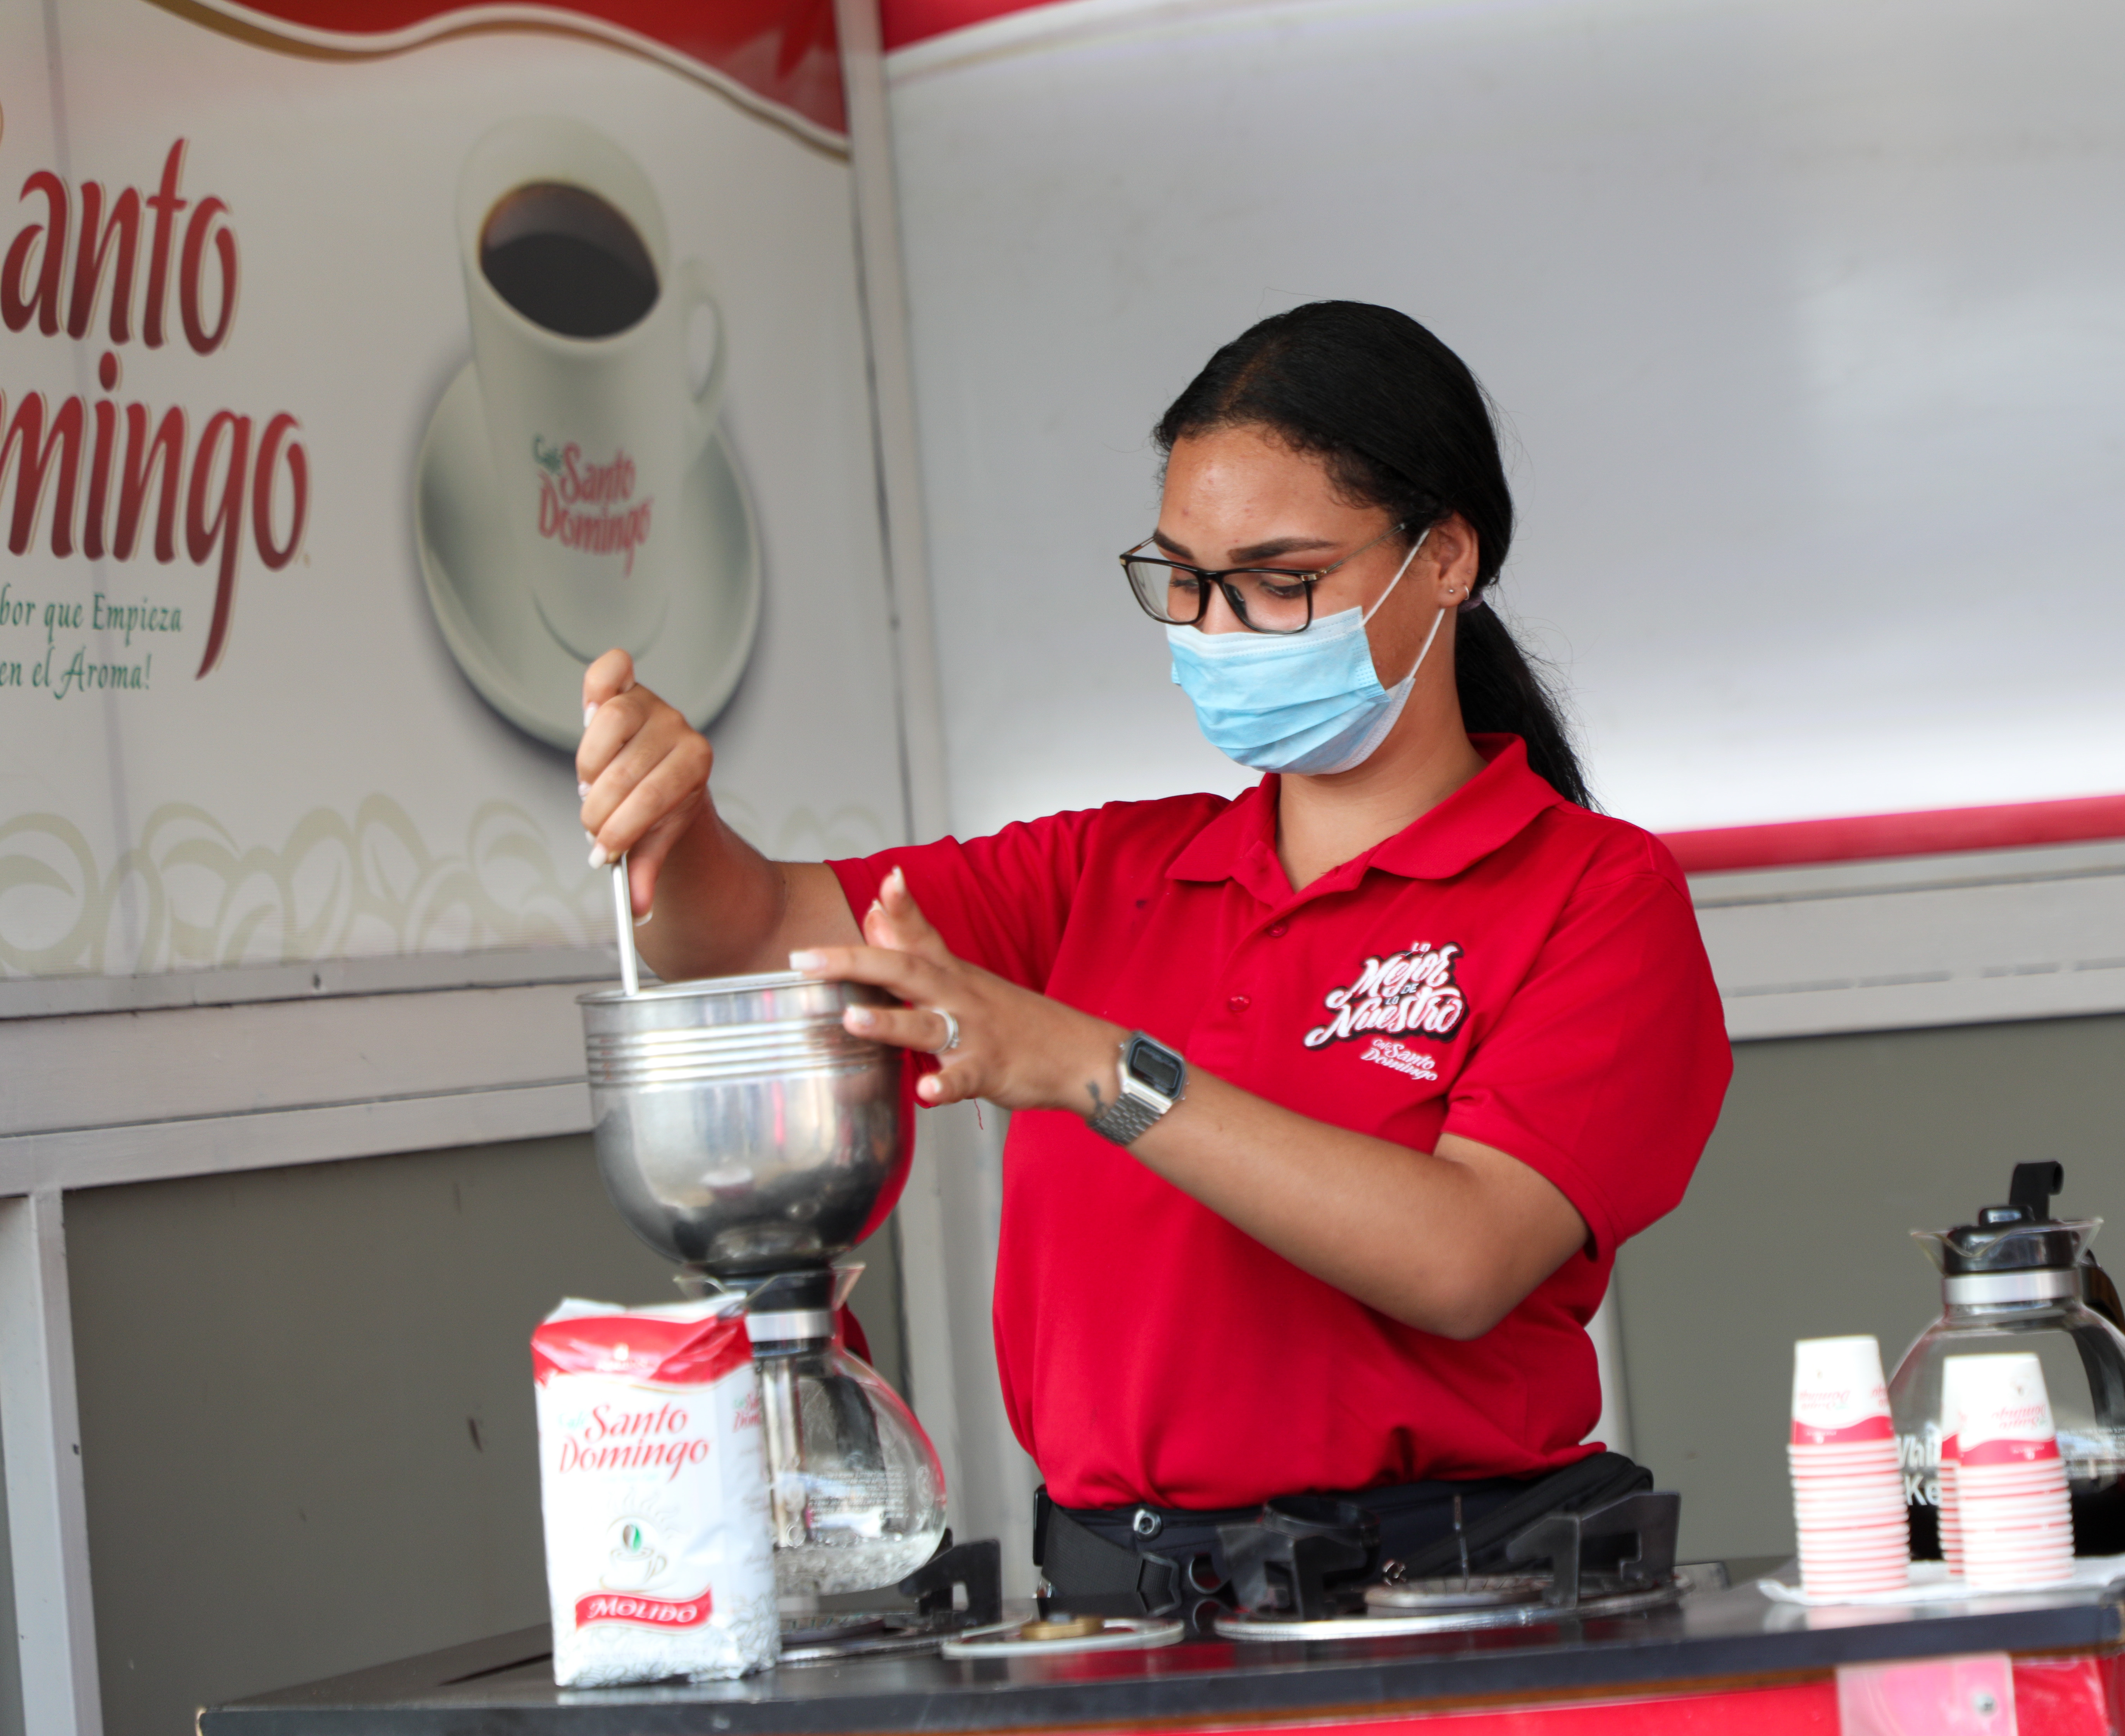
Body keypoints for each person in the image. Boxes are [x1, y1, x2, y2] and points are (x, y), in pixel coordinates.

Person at [574, 301, 1733, 1616]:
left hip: (1441, 1611)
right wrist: (672, 825)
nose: (1219, 628)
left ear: (1447, 558)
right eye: (1184, 581)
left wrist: (1096, 1069)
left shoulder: (1594, 894)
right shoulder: (1104, 872)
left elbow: (1463, 1259)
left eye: (1280, 580)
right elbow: (743, 933)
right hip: (1117, 1612)